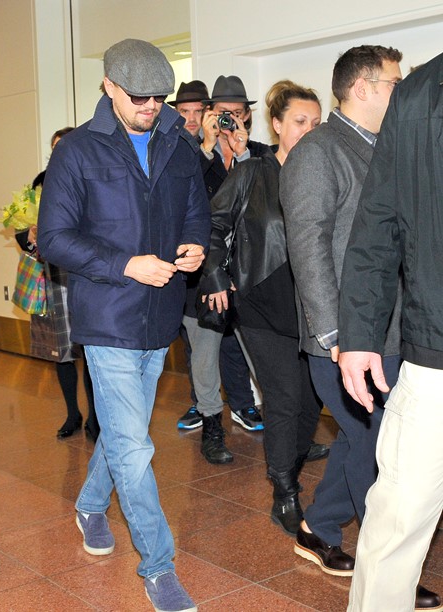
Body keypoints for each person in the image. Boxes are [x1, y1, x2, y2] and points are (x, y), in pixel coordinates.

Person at [39, 38, 209, 612]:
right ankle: (159, 567)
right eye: (139, 96)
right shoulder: (77, 151)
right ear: (109, 86)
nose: (151, 106)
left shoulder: (177, 143)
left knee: (122, 431)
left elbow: (196, 211)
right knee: (135, 446)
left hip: (159, 315)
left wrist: (195, 244)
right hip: (108, 314)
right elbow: (54, 238)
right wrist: (125, 264)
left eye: (160, 96)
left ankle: (91, 505)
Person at [280, 46, 440, 611]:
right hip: (348, 340)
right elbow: (308, 247)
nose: (405, 91)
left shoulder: (385, 144)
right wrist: (336, 336)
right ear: (364, 87)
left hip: (395, 332)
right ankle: (390, 572)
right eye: (396, 82)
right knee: (377, 449)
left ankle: (317, 527)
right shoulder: (318, 151)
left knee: (365, 440)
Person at [339, 52, 443, 612]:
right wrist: (358, 336)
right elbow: (378, 224)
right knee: (399, 516)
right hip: (433, 351)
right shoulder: (419, 95)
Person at [201, 80, 324, 535]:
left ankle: (288, 462)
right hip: (261, 305)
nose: (309, 130)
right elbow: (212, 225)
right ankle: (284, 492)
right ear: (276, 124)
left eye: (316, 122)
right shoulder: (252, 172)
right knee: (285, 398)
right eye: (299, 121)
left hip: (313, 309)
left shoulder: (325, 174)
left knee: (312, 402)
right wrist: (216, 274)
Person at [169, 81, 259, 443]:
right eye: (221, 113)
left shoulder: (256, 153)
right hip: (202, 268)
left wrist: (242, 153)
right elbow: (181, 199)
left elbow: (261, 201)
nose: (228, 120)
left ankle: (243, 405)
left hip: (246, 269)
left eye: (235, 113)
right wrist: (206, 148)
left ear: (247, 116)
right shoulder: (188, 153)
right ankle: (208, 415)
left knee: (241, 344)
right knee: (202, 346)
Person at [16, 127, 98, 440]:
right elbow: (22, 232)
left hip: (83, 274)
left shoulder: (92, 179)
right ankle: (72, 414)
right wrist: (30, 235)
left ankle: (95, 418)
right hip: (53, 277)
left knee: (90, 350)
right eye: (54, 148)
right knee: (61, 351)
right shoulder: (39, 184)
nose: (59, 153)